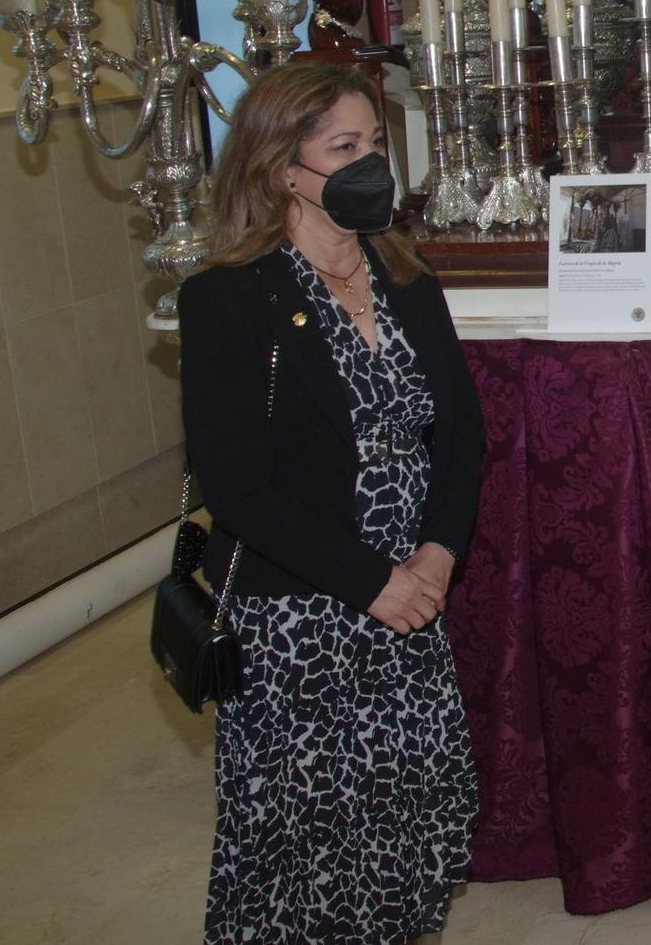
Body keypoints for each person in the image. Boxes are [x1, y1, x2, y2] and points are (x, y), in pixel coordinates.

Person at [179, 62, 486, 944]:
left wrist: (435, 555)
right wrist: (370, 581)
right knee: (305, 854)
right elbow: (235, 486)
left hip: (410, 607)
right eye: (344, 148)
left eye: (377, 145)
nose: (371, 166)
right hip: (299, 624)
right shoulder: (230, 298)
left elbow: (461, 433)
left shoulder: (407, 278)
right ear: (284, 169)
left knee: (411, 826)